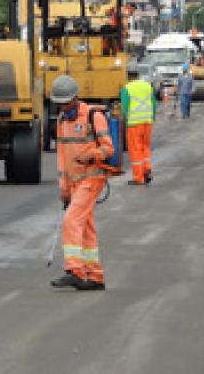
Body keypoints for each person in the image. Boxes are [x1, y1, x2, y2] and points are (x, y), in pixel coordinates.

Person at [50, 75, 114, 291]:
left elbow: (108, 148)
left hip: (92, 177)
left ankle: (74, 270)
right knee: (85, 227)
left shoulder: (93, 116)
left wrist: (91, 155)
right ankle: (95, 276)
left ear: (76, 98)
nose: (64, 107)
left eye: (66, 102)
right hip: (74, 181)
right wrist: (64, 187)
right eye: (60, 103)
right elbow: (62, 157)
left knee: (71, 220)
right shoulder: (61, 121)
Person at [121, 67, 157, 186]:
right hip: (147, 121)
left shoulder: (126, 88)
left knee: (135, 150)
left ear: (128, 76)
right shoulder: (147, 86)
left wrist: (126, 120)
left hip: (134, 124)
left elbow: (125, 107)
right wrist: (152, 117)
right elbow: (154, 104)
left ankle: (139, 177)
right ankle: (147, 171)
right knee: (145, 147)